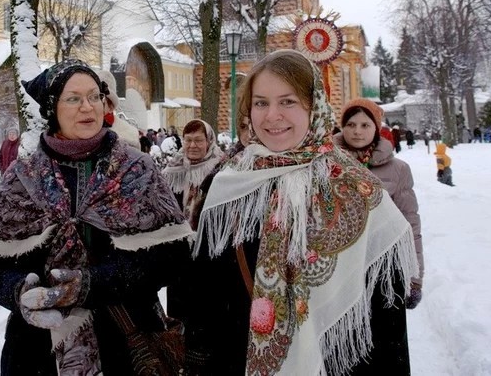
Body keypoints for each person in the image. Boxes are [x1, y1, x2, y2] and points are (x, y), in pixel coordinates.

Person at [178, 50, 418, 375]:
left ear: (314, 105)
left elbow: (388, 319)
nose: (271, 115)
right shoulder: (225, 185)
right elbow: (199, 292)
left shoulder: (358, 190)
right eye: (261, 102)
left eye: (288, 101)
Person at [0, 59, 193, 375]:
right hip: (37, 352)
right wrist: (20, 291)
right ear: (51, 109)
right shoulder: (21, 179)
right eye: (73, 98)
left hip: (127, 343)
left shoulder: (136, 171)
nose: (87, 107)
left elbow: (172, 254)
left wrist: (92, 283)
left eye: (94, 96)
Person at [335, 99, 424, 310]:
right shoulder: (326, 164)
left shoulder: (398, 169)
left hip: (386, 268)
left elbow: (410, 224)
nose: (357, 131)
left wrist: (415, 277)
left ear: (376, 128)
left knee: (386, 338)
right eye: (351, 125)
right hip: (339, 271)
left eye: (365, 125)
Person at [162, 119, 224, 228]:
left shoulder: (221, 169)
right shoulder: (174, 169)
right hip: (180, 237)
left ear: (209, 142)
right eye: (188, 140)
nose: (192, 145)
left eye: (198, 140)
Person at [97, 69, 142, 149]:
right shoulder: (78, 130)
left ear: (111, 106)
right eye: (92, 98)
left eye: (101, 99)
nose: (93, 104)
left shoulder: (128, 137)